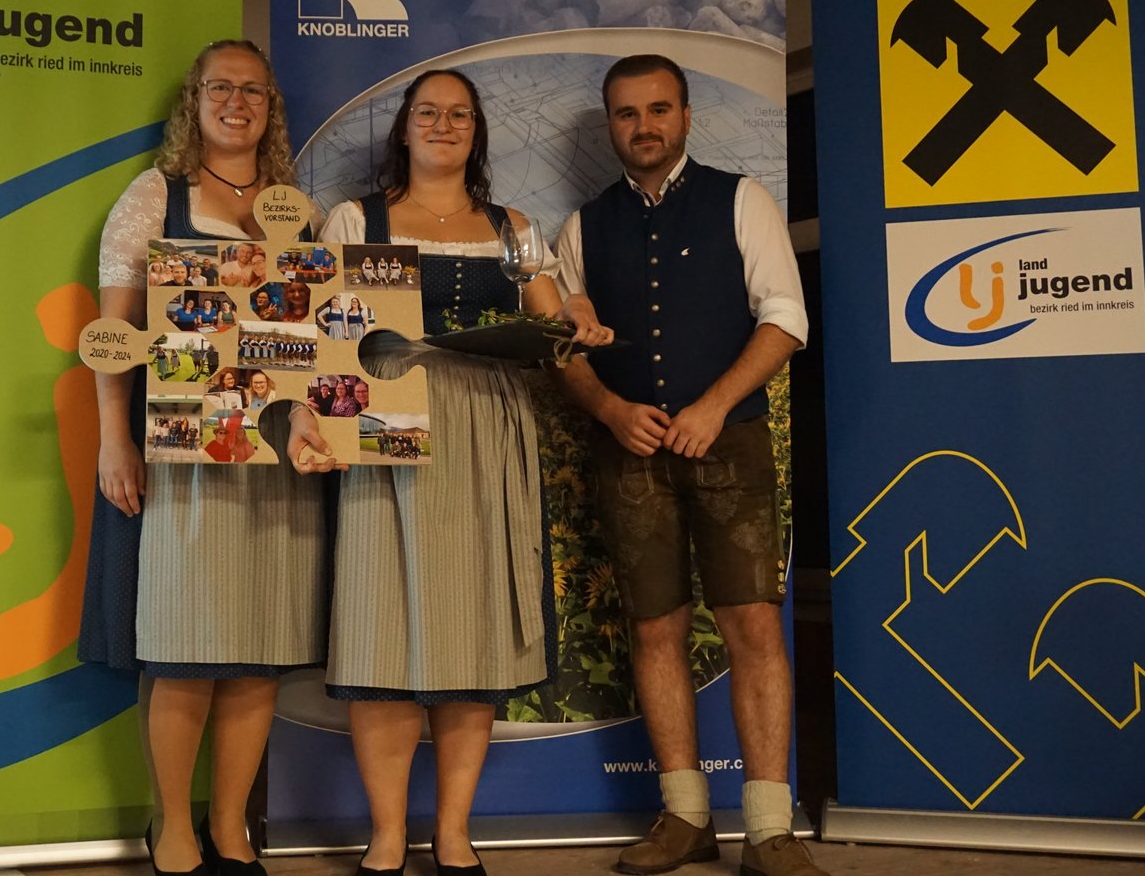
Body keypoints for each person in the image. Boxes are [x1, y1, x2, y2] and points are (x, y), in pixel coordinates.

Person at [293, 69, 612, 876]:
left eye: (459, 114)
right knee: (382, 628)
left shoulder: (512, 228)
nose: (443, 124)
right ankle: (387, 835)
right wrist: (315, 417)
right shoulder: (354, 220)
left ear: (477, 131)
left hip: (483, 425)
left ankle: (454, 833)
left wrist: (575, 320)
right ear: (404, 127)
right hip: (382, 417)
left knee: (473, 629)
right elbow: (318, 329)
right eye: (428, 111)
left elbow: (551, 323)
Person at [553, 55, 820, 876]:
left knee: (753, 626)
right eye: (627, 113)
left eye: (659, 109)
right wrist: (609, 410)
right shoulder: (581, 228)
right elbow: (563, 350)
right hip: (629, 451)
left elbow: (786, 319)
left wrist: (712, 406)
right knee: (654, 628)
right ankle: (685, 818)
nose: (645, 126)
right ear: (612, 125)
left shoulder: (743, 199)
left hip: (729, 441)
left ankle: (769, 830)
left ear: (686, 116)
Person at [82, 39, 330, 876]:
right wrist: (113, 437)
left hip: (276, 456)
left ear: (271, 107)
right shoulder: (156, 194)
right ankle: (174, 830)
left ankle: (230, 827)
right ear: (194, 100)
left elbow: (316, 345)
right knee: (184, 644)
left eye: (253, 90)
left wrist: (318, 426)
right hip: (183, 451)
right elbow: (114, 334)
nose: (237, 102)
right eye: (221, 87)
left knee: (258, 646)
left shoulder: (298, 209)